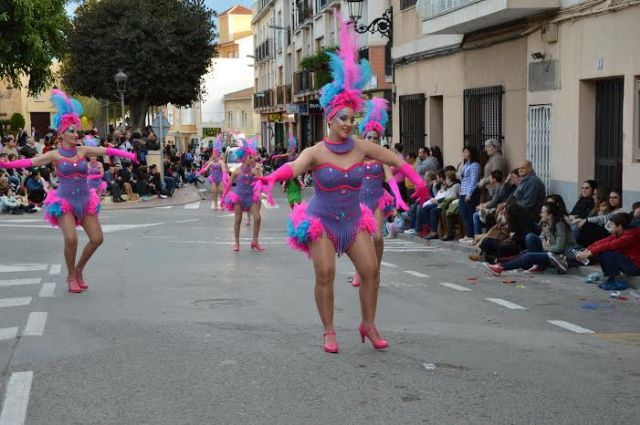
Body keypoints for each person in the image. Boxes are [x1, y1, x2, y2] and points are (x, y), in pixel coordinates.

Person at [259, 17, 429, 354]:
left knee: (371, 271)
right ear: (330, 118)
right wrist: (271, 177)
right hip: (321, 221)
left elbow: (395, 160)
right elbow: (292, 168)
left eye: (353, 118)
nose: (350, 124)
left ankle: (368, 323)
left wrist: (418, 180)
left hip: (353, 220)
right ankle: (328, 330)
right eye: (344, 118)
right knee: (325, 273)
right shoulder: (316, 152)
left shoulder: (363, 147)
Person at [0, 89, 137, 293]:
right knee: (71, 239)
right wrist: (6, 164)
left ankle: (79, 269)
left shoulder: (83, 150)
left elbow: (106, 150)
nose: (75, 134)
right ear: (62, 133)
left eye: (76, 130)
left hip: (85, 200)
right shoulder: (54, 155)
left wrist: (129, 155)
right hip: (64, 202)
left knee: (97, 238)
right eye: (71, 131)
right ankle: (71, 276)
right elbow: (30, 161)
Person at [351, 97, 408, 287]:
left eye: (376, 138)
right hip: (359, 202)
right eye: (370, 138)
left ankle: (376, 271)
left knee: (377, 237)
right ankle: (359, 271)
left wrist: (399, 198)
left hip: (377, 200)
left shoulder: (381, 159)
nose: (373, 141)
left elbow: (390, 179)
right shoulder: (356, 158)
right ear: (364, 138)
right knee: (361, 240)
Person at [483, 202, 573, 275]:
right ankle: (535, 265)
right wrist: (543, 241)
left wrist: (544, 247)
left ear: (550, 215)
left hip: (559, 255)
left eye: (543, 212)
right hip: (548, 252)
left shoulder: (559, 225)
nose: (540, 214)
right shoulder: (545, 224)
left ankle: (501, 267)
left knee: (528, 255)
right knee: (530, 238)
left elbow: (559, 247)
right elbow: (542, 238)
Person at [576, 213, 640, 291]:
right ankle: (610, 279)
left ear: (619, 227)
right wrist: (587, 250)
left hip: (635, 266)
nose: (610, 227)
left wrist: (589, 253)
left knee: (608, 254)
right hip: (628, 261)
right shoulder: (621, 233)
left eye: (612, 225)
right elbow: (603, 241)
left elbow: (610, 245)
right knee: (601, 252)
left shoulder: (630, 236)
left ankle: (614, 281)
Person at [221, 139, 264, 252]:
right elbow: (228, 185)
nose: (253, 159)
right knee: (237, 220)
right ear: (244, 158)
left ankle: (255, 241)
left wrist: (260, 171)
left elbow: (262, 183)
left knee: (258, 218)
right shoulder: (236, 171)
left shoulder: (254, 171)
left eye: (252, 157)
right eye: (250, 157)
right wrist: (222, 199)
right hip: (239, 198)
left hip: (251, 198)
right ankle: (237, 243)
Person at [196, 136, 228, 209]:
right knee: (214, 191)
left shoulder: (221, 162)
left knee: (222, 191)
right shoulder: (211, 162)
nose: (213, 155)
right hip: (213, 178)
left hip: (220, 178)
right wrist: (199, 172)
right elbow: (206, 168)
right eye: (212, 154)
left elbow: (223, 171)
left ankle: (222, 203)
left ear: (217, 155)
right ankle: (216, 204)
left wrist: (224, 178)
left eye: (214, 154)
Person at [458, 146, 481, 243]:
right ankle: (468, 234)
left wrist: (469, 193)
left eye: (466, 151)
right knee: (463, 214)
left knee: (469, 213)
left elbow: (474, 180)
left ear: (471, 153)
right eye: (463, 151)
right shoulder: (466, 165)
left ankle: (471, 235)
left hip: (470, 193)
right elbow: (464, 179)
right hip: (463, 191)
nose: (464, 153)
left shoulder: (475, 165)